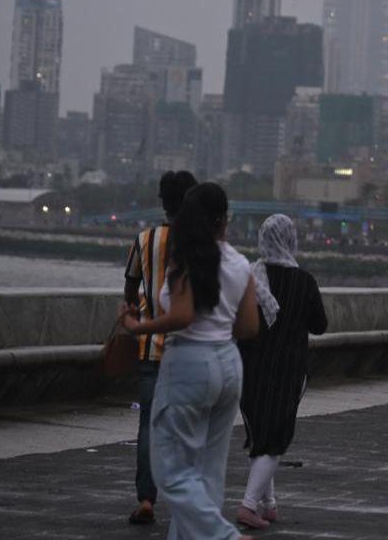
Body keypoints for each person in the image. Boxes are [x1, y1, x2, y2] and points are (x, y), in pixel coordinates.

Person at [118, 182, 261, 540]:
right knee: (209, 472)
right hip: (229, 364)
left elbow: (181, 316)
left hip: (189, 364)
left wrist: (138, 326)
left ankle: (224, 536)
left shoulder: (186, 257)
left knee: (171, 469)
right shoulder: (240, 264)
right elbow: (248, 327)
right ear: (224, 219)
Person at [235, 215, 328, 530]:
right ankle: (248, 506)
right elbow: (320, 325)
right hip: (288, 369)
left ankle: (267, 503)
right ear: (291, 241)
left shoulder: (250, 275)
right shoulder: (304, 282)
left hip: (250, 367)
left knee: (262, 436)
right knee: (276, 438)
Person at [122, 170, 198, 525]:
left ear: (163, 203)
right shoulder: (198, 243)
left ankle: (146, 498)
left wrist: (139, 313)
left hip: (150, 348)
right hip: (189, 351)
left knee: (149, 425)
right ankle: (185, 498)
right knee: (188, 428)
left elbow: (129, 288)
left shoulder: (144, 238)